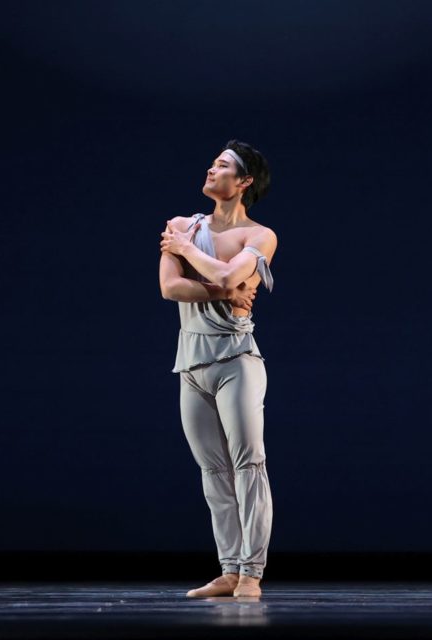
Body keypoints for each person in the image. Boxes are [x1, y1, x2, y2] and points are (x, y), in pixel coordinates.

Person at [158, 140, 279, 598]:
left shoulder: (259, 235)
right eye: (212, 162)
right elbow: (170, 288)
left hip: (236, 361)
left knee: (249, 463)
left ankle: (252, 573)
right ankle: (229, 569)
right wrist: (222, 291)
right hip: (190, 362)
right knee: (213, 471)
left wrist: (193, 256)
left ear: (244, 182)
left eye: (223, 166)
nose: (212, 170)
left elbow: (233, 277)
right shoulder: (181, 225)